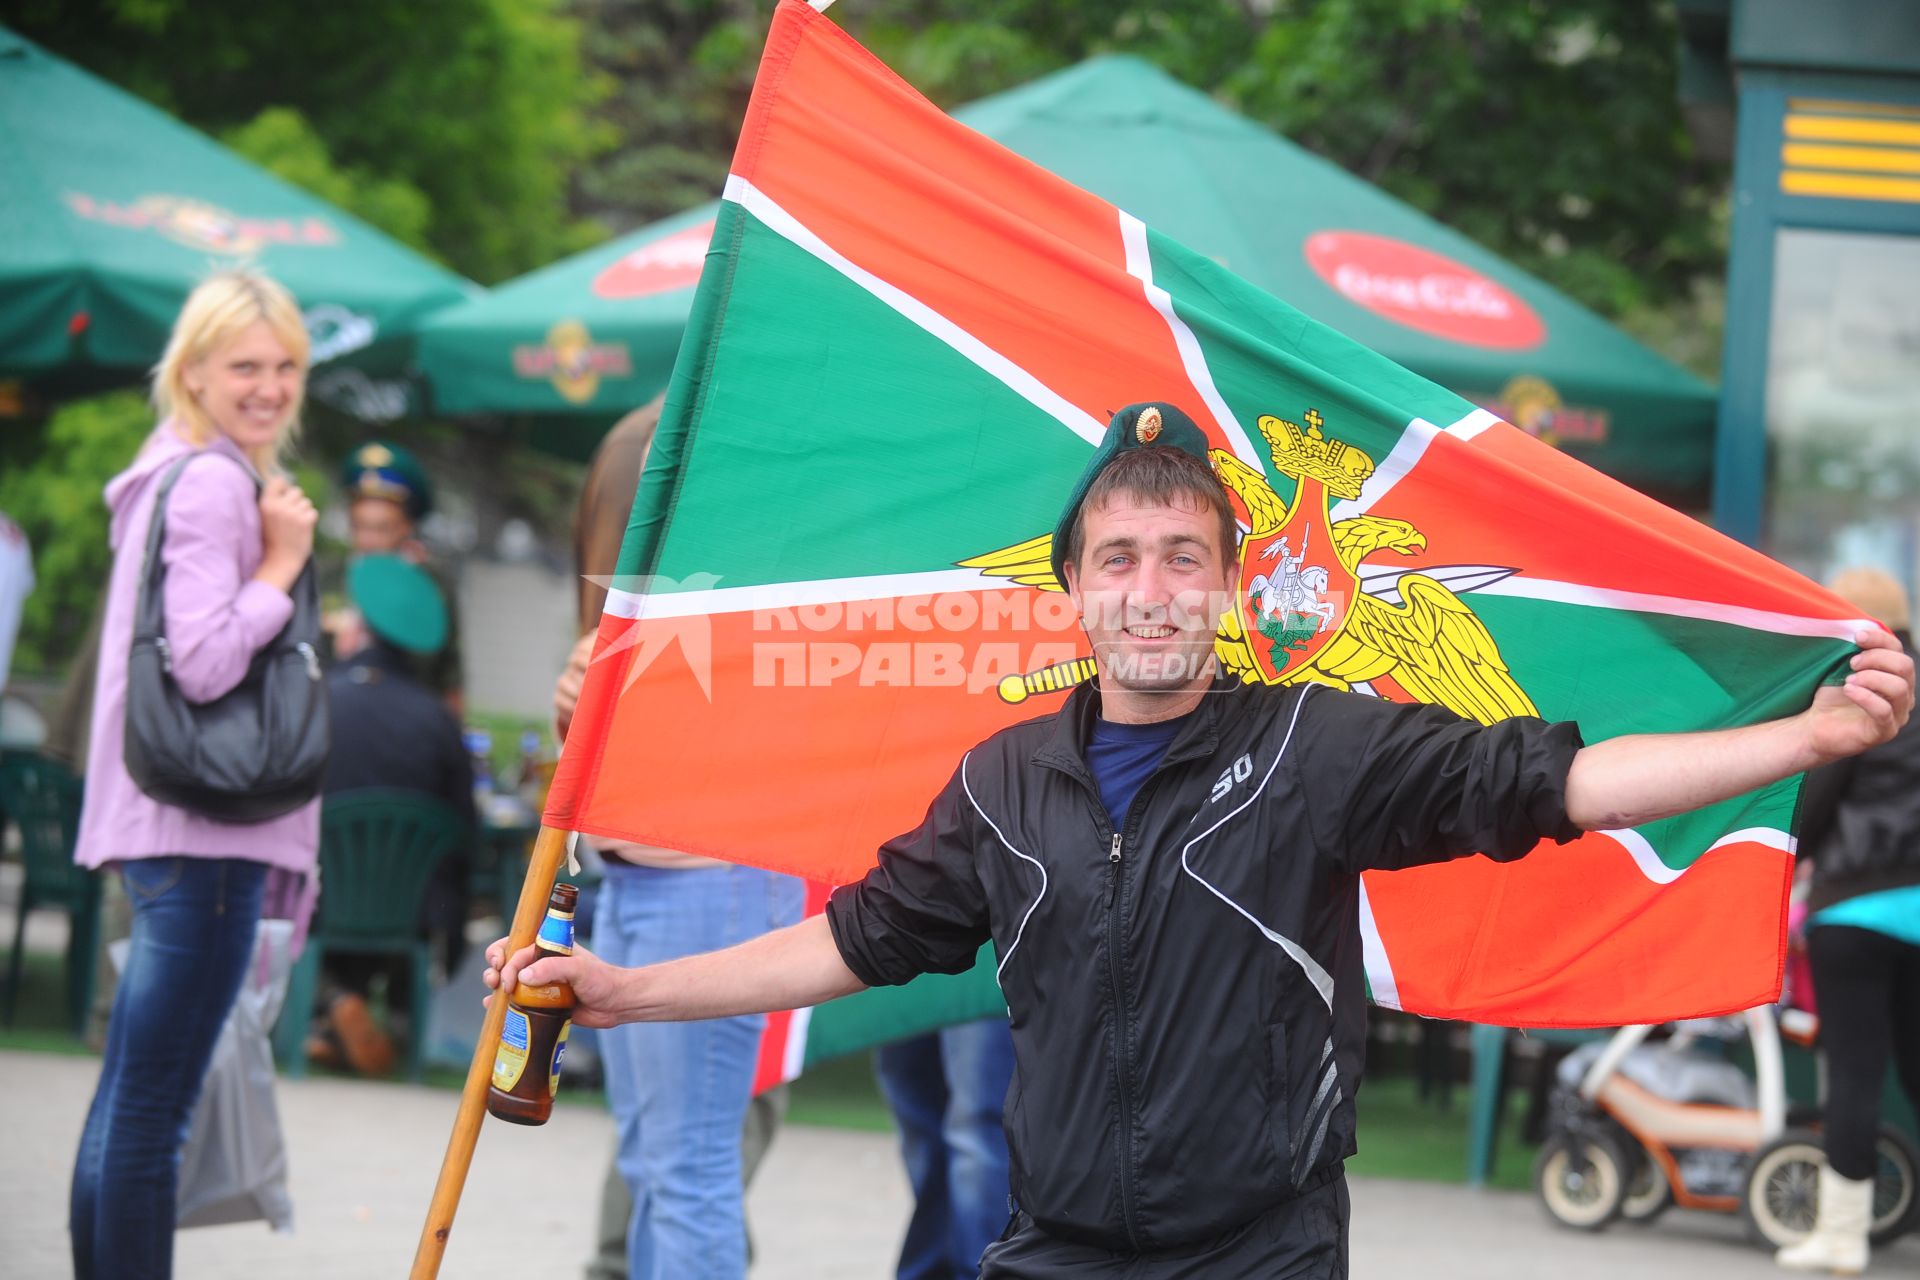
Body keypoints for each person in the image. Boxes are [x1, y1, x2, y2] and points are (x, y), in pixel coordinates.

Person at [489, 402, 1914, 1278]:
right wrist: (625, 992)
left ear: (1233, 587)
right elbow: (859, 937)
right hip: (1050, 1251)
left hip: (1262, 1254)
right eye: (1120, 558)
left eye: (1184, 557)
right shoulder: (1003, 778)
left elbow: (1560, 783)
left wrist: (1803, 743)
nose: (1151, 587)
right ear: (1075, 592)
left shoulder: (1320, 745)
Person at [68, 268, 320, 1280]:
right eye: (245, 366)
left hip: (167, 824)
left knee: (127, 1102)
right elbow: (206, 658)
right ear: (195, 372)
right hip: (206, 832)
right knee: (151, 1116)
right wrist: (282, 566)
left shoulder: (167, 469)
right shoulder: (213, 482)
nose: (270, 386)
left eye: (287, 364)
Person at [557, 398, 805, 1280]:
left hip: (716, 872)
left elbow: (770, 720)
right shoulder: (649, 454)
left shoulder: (770, 514)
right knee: (653, 1166)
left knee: (688, 1169)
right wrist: (582, 703)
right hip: (641, 871)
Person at [1777, 566, 1920, 1276]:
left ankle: (1841, 1237)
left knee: (1856, 1073)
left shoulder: (1860, 689)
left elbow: (1817, 799)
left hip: (1855, 907)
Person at [308, 553, 474, 1075]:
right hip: (412, 911)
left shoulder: (316, 700)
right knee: (435, 882)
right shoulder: (439, 722)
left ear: (357, 630)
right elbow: (465, 832)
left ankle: (329, 1003)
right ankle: (397, 1018)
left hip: (320, 897)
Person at [875, 1017, 1016, 1280]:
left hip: (980, 980)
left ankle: (982, 1271)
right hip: (912, 989)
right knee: (915, 1107)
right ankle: (934, 1267)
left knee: (978, 1128)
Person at [336, 439, 463, 712]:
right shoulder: (330, 578)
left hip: (405, 715)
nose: (367, 540)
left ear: (406, 527)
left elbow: (448, 674)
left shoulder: (427, 583)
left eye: (381, 528)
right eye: (359, 527)